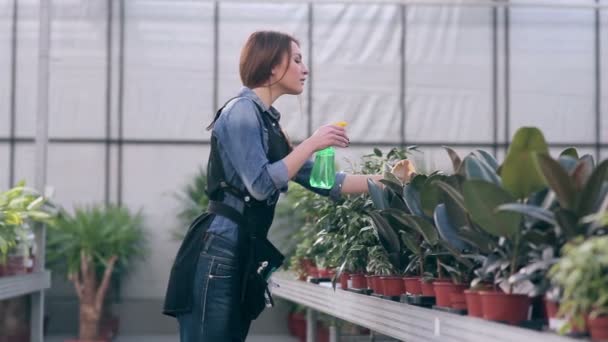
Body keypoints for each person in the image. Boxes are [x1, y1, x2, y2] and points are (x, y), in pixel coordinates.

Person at [163, 30, 415, 342]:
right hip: (220, 246)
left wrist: (391, 179)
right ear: (271, 66)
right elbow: (259, 185)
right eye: (296, 60)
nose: (305, 68)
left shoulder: (269, 124)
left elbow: (326, 182)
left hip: (242, 246)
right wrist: (312, 143)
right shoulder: (241, 111)